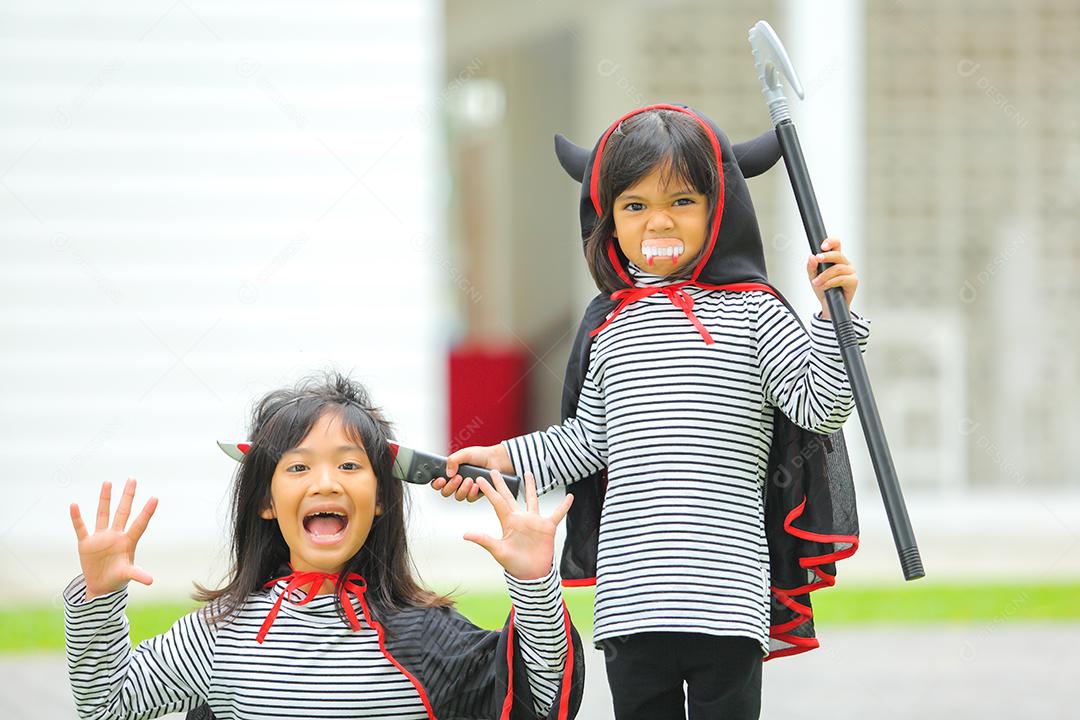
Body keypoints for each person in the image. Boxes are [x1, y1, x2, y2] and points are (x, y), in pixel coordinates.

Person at [433, 104, 870, 719]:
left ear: (719, 209)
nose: (658, 220)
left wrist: (833, 317)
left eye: (682, 201)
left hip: (728, 598)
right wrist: (499, 458)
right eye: (635, 204)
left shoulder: (756, 312)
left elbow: (818, 407)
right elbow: (586, 442)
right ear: (608, 219)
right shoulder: (609, 324)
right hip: (631, 602)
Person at [64, 372, 585, 719]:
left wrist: (533, 583)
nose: (326, 483)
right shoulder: (220, 634)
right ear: (266, 502)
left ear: (379, 500)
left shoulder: (423, 636)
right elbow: (107, 705)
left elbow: (540, 701)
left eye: (349, 464)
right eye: (298, 466)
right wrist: (98, 600)